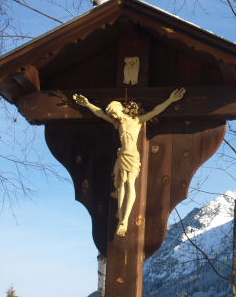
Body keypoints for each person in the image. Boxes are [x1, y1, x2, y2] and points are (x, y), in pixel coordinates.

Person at [73, 88, 186, 236]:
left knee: (130, 183)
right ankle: (122, 220)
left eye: (114, 113)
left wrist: (171, 100)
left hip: (132, 155)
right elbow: (100, 113)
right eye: (112, 114)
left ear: (120, 110)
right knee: (122, 185)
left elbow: (155, 111)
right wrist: (87, 104)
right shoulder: (118, 123)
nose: (113, 116)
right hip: (122, 156)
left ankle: (125, 218)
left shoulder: (136, 120)